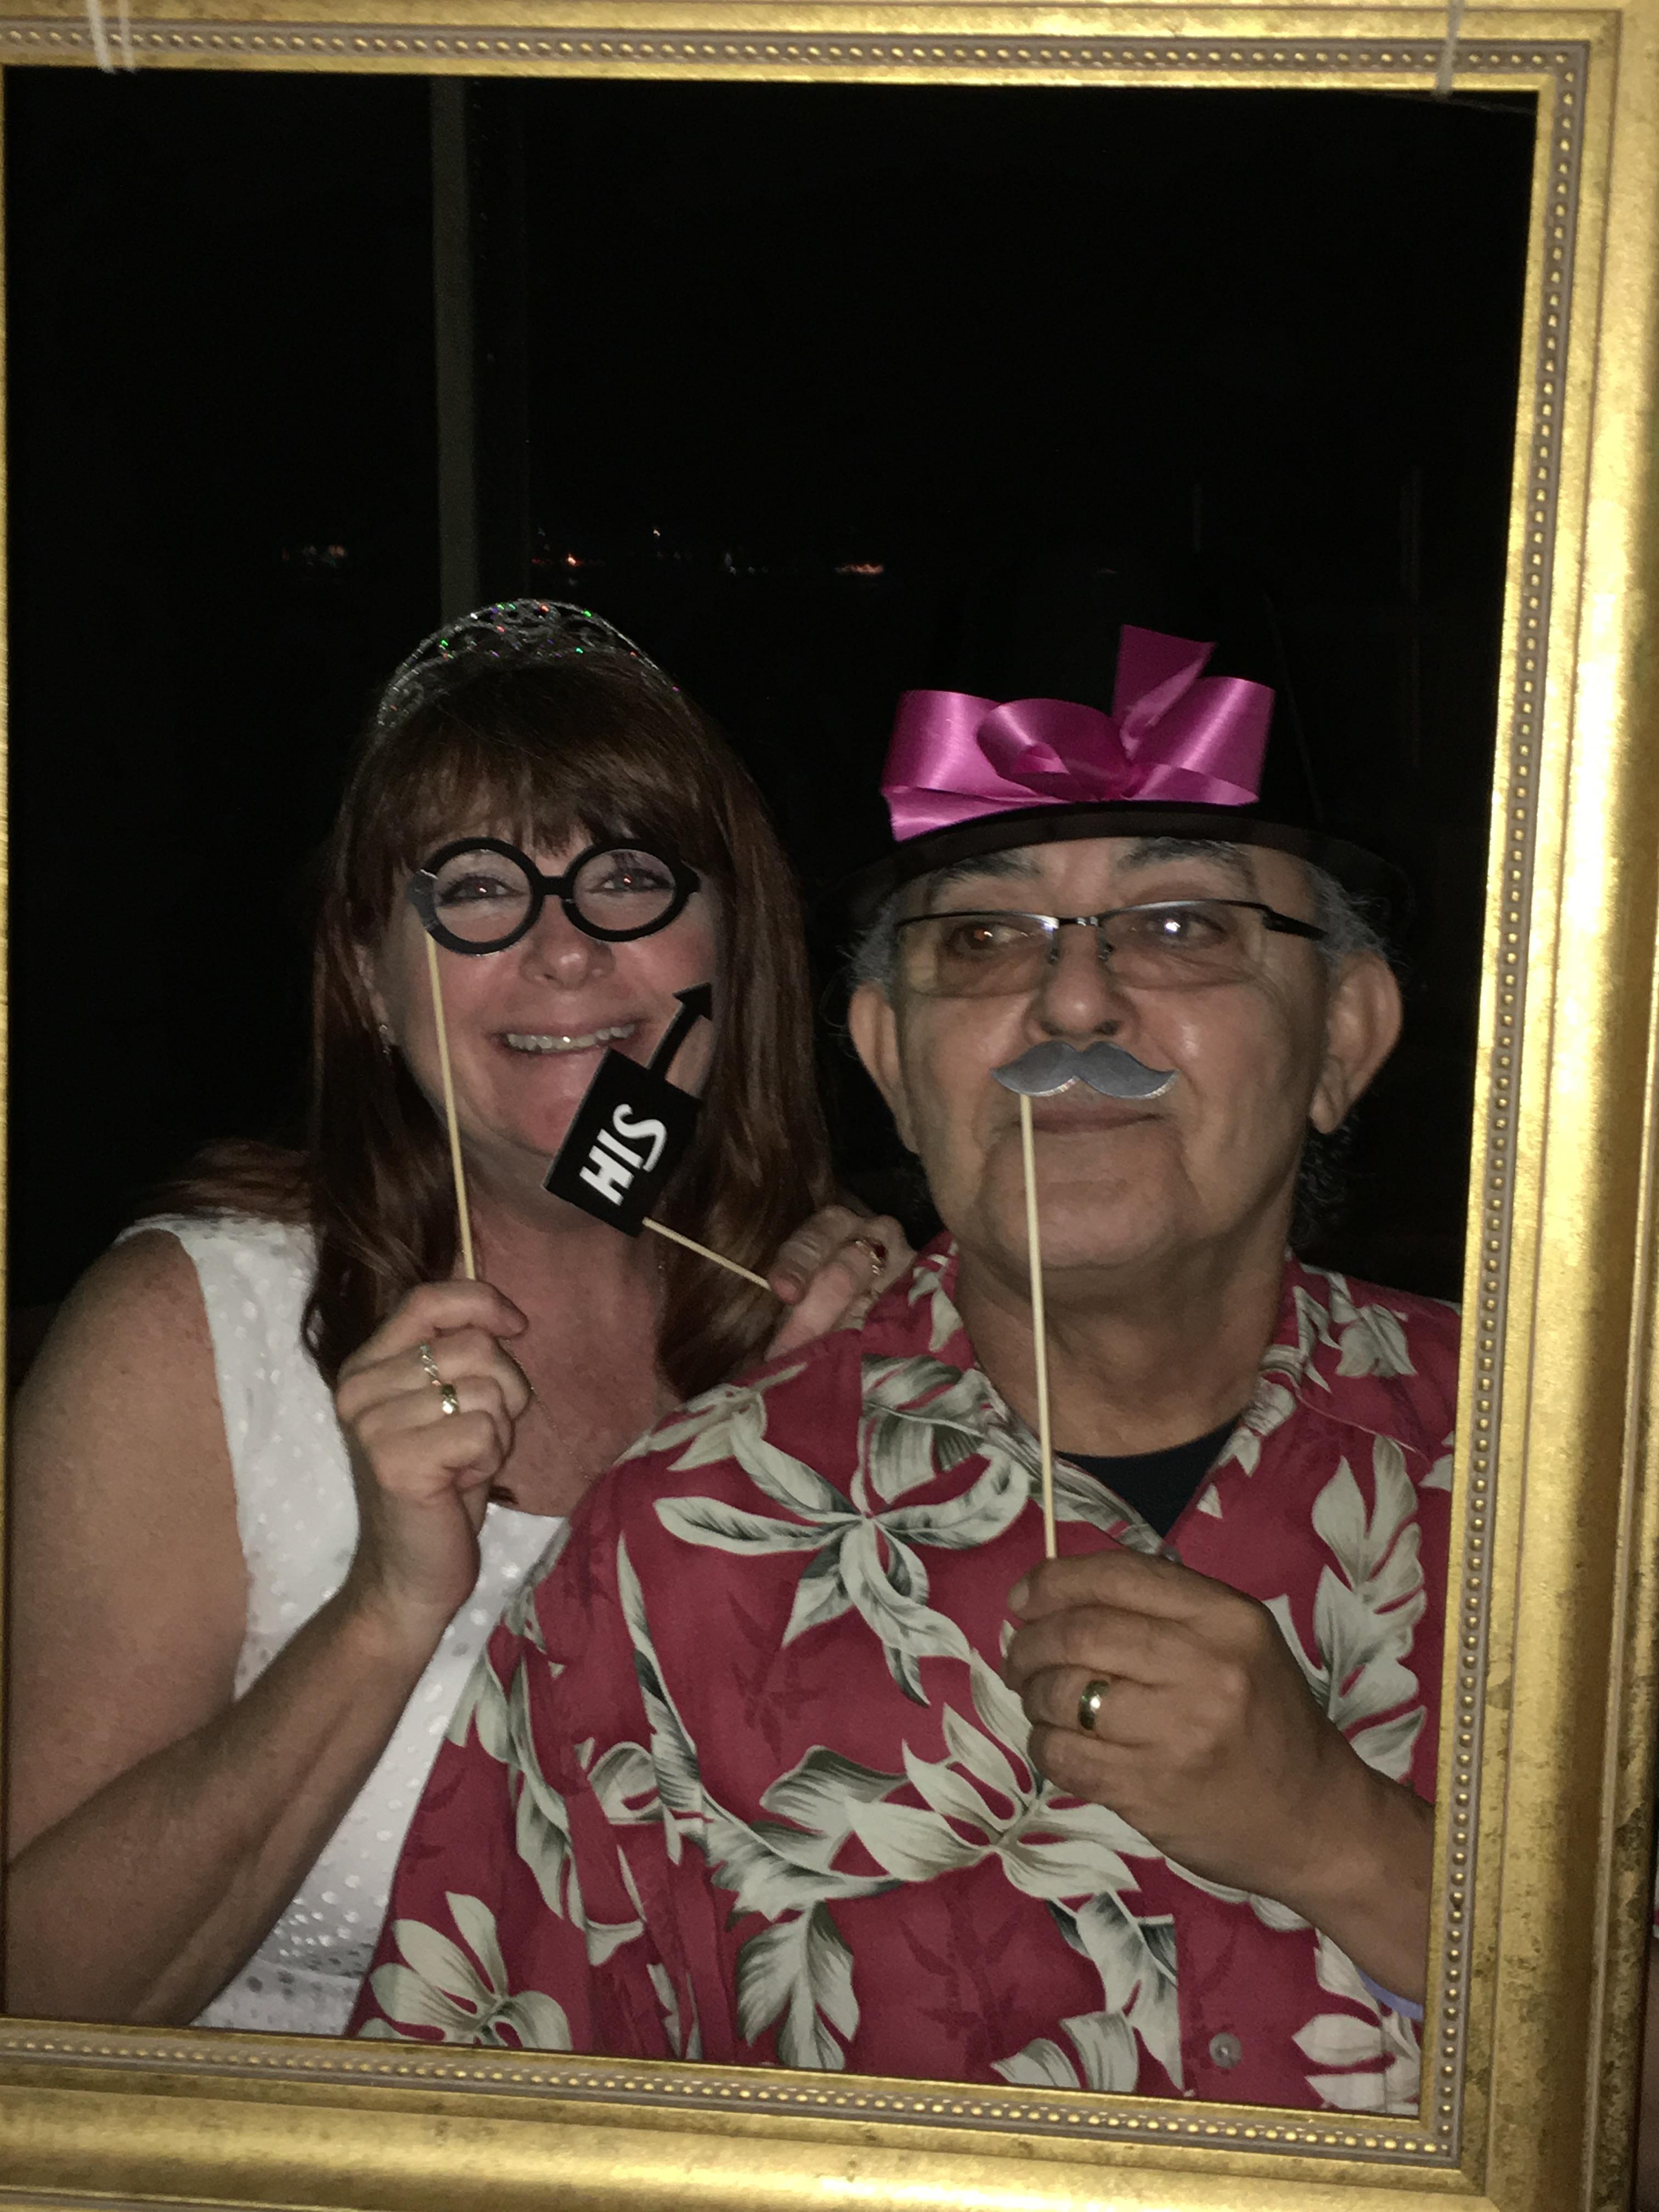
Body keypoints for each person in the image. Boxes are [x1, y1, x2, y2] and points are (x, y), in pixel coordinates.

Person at [351, 623, 1452, 2114]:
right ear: (887, 1055)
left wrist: (1348, 1846)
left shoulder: (1575, 1490)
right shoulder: (675, 1555)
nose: (1073, 1010)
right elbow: (461, 2141)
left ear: (1346, 1035)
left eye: (1181, 927)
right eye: (985, 940)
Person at [4, 600, 911, 2036]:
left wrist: (806, 1459)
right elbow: (35, 2003)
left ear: (732, 947)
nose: (564, 954)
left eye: (630, 876)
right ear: (369, 977)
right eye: (477, 889)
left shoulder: (850, 1328)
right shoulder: (192, 1332)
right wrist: (386, 1609)